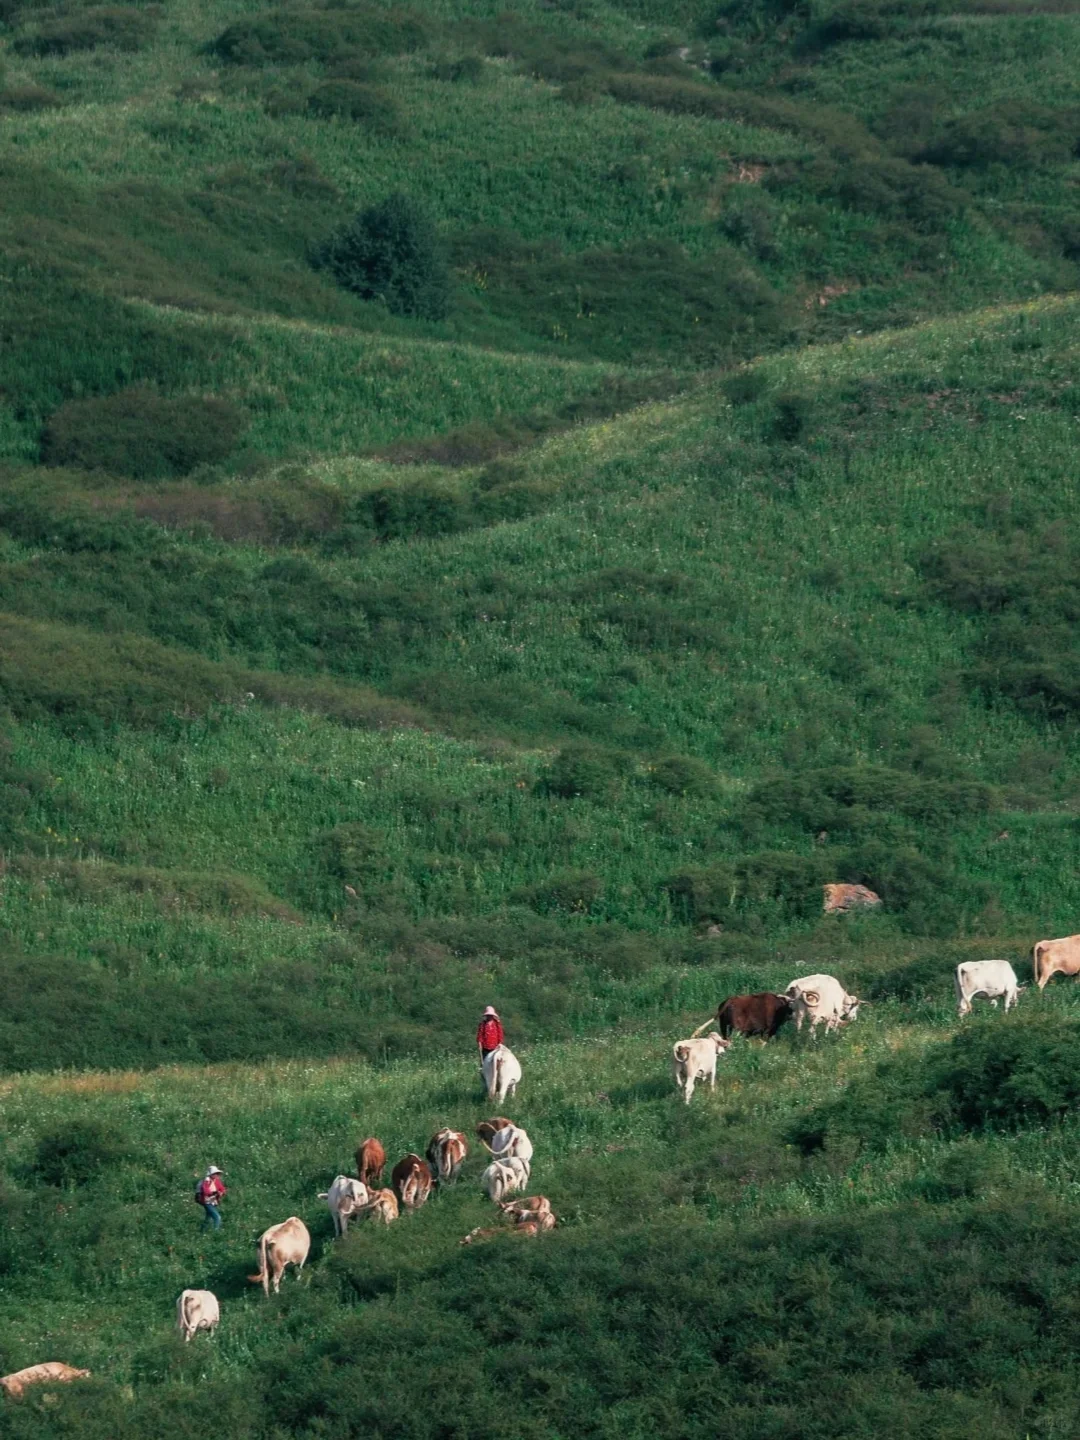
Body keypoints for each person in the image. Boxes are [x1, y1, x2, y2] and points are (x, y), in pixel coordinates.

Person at [196, 1166, 227, 1231]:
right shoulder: (206, 1181)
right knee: (217, 1217)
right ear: (211, 1174)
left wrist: (221, 1192)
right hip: (207, 1201)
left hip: (213, 1202)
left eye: (217, 1173)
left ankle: (202, 1232)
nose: (216, 1175)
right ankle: (215, 1234)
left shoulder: (216, 1181)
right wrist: (215, 1193)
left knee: (208, 1218)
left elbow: (222, 1188)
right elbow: (205, 1190)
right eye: (215, 1173)